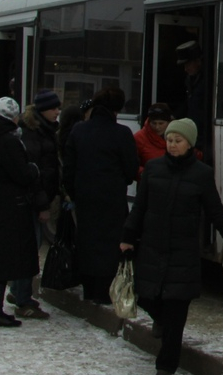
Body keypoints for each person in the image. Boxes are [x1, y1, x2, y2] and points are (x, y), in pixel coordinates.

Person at [120, 118, 223, 375]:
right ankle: (160, 321)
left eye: (178, 141)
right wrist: (127, 236)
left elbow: (214, 210)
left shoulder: (200, 174)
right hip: (153, 247)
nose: (172, 145)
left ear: (189, 143)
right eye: (169, 140)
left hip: (183, 251)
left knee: (177, 311)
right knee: (147, 296)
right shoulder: (153, 169)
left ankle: (166, 365)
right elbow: (140, 207)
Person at [0, 97, 47, 328]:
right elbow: (22, 174)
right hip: (12, 207)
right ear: (9, 117)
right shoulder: (9, 141)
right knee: (5, 258)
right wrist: (34, 169)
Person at [64, 87, 137, 304]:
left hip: (85, 196)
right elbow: (131, 170)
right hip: (112, 197)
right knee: (109, 243)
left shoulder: (79, 131)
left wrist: (75, 192)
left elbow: (69, 168)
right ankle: (104, 290)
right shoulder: (122, 133)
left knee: (86, 241)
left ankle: (88, 288)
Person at [12, 89, 62, 319]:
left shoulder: (41, 129)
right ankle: (22, 297)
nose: (57, 112)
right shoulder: (33, 133)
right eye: (54, 108)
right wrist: (43, 205)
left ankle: (18, 291)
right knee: (29, 248)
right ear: (43, 110)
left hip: (36, 198)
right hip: (33, 201)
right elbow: (35, 173)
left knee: (26, 247)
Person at [133, 102, 172, 178]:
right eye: (154, 123)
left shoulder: (178, 136)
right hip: (149, 184)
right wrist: (144, 173)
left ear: (169, 122)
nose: (157, 127)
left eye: (161, 123)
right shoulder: (139, 138)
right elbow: (131, 163)